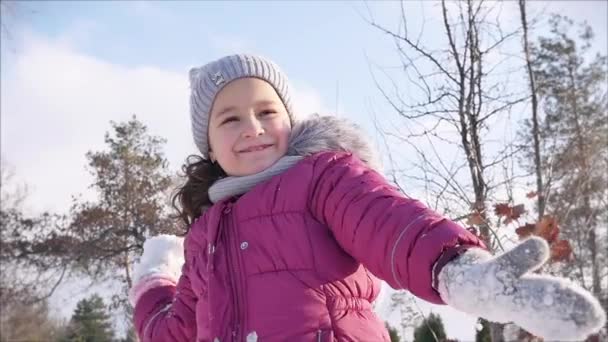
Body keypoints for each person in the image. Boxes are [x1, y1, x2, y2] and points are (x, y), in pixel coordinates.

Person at [129, 54, 605, 342]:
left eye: (265, 111)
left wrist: (464, 274)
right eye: (229, 119)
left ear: (289, 121)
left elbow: (392, 224)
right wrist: (154, 277)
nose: (252, 128)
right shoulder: (204, 238)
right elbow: (175, 330)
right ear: (208, 144)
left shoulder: (322, 178)